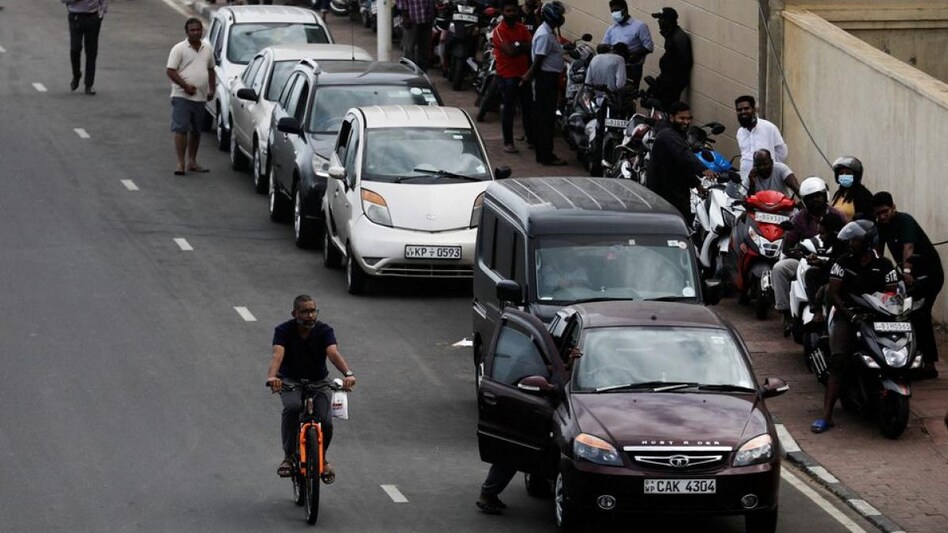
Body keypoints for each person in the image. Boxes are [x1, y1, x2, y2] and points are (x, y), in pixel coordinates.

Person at [812, 220, 899, 433]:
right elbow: (833, 293)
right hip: (847, 317)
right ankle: (826, 416)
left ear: (868, 242)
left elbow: (892, 294)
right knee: (839, 360)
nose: (851, 243)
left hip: (877, 319)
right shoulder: (842, 262)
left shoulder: (885, 265)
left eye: (856, 239)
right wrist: (850, 315)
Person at [266, 295, 357, 480]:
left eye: (313, 311)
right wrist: (273, 377)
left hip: (319, 382)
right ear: (295, 313)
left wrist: (348, 374)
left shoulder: (324, 330)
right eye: (305, 311)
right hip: (290, 381)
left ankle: (322, 459)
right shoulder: (283, 330)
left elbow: (332, 353)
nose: (310, 315)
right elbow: (278, 355)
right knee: (293, 408)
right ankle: (289, 457)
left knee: (327, 422)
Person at [873, 191, 944, 379]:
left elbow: (908, 248)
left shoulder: (905, 221)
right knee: (903, 315)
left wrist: (906, 271)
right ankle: (910, 358)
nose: (882, 216)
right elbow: (878, 252)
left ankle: (929, 364)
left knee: (920, 314)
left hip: (929, 274)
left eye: (885, 212)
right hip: (909, 278)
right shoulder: (880, 226)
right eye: (878, 213)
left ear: (893, 208)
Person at [771, 177, 845, 333]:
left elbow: (847, 238)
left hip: (833, 259)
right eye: (810, 198)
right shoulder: (799, 218)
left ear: (825, 195)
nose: (815, 200)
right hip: (805, 260)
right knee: (779, 269)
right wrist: (802, 255)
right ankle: (786, 315)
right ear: (804, 200)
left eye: (818, 195)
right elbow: (787, 246)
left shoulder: (837, 216)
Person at [646, 101, 715, 225]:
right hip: (665, 197)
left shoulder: (678, 135)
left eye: (689, 119)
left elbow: (681, 165)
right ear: (672, 118)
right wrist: (702, 169)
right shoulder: (667, 134)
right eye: (682, 118)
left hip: (676, 192)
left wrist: (697, 184)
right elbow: (683, 154)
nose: (686, 122)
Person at [166, 18, 216, 176]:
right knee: (181, 129)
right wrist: (185, 87)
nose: (196, 32)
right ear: (187, 32)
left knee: (196, 131)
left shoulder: (207, 49)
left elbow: (211, 69)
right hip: (182, 96)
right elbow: (170, 71)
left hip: (200, 97)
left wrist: (211, 89)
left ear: (202, 31)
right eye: (192, 30)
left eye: (198, 30)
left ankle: (192, 161)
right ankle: (180, 163)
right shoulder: (179, 49)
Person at [524, 1, 567, 166]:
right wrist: (528, 76)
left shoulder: (549, 31)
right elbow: (538, 61)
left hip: (549, 78)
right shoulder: (544, 34)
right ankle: (545, 155)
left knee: (546, 117)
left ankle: (545, 153)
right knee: (546, 118)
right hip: (545, 79)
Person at [492, 0, 534, 154]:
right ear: (502, 12)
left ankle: (530, 138)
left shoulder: (522, 28)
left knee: (528, 108)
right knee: (508, 109)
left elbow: (531, 46)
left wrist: (517, 46)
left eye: (514, 11)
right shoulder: (498, 31)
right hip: (507, 75)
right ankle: (508, 142)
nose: (512, 13)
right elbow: (509, 51)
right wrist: (519, 46)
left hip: (523, 74)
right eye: (508, 11)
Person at [735, 95, 788, 184]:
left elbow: (782, 151)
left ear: (754, 110)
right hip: (746, 179)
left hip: (767, 179)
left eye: (746, 108)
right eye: (739, 110)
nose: (743, 112)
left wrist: (768, 167)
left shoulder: (769, 127)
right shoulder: (740, 133)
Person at [602, 0, 652, 91]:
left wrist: (631, 55)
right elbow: (604, 45)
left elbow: (648, 47)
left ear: (625, 10)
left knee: (627, 97)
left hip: (631, 69)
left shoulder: (640, 26)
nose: (614, 13)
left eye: (616, 10)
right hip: (613, 67)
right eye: (612, 11)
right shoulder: (611, 29)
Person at [62, 0, 108, 95]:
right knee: (75, 48)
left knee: (91, 51)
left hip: (92, 17)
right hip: (75, 17)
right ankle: (76, 74)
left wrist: (102, 11)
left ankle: (89, 84)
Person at [651, 7, 692, 110]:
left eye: (661, 19)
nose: (658, 22)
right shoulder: (671, 34)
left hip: (672, 83)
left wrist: (672, 80)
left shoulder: (679, 37)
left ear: (668, 20)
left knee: (667, 108)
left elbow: (685, 61)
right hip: (666, 80)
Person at [830, 156, 873, 221]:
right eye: (841, 173)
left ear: (856, 176)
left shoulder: (863, 195)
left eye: (848, 173)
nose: (844, 176)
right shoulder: (837, 194)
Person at [397, 0, 436, 72]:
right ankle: (408, 73)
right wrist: (405, 17)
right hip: (412, 19)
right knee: (409, 49)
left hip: (426, 19)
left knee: (424, 50)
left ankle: (422, 75)